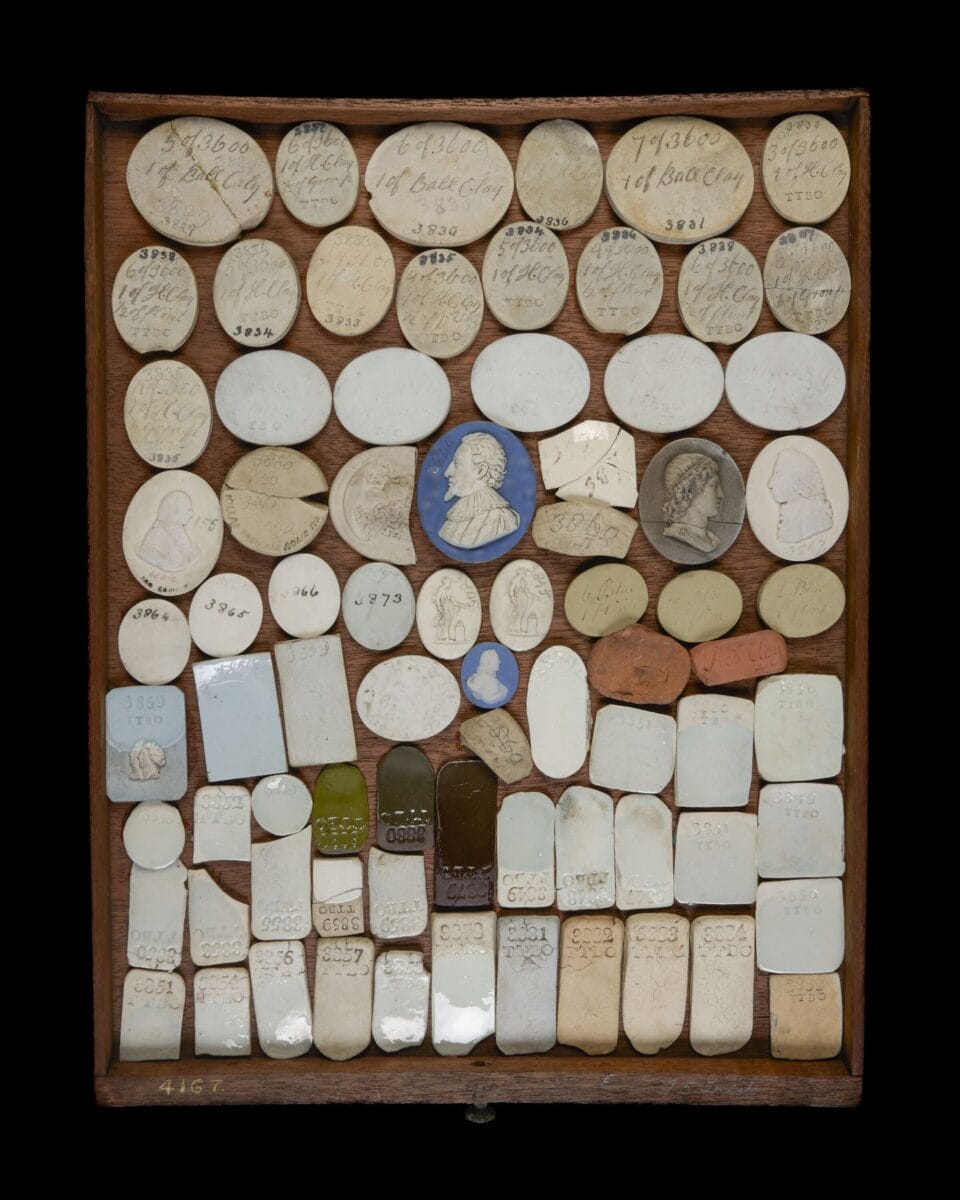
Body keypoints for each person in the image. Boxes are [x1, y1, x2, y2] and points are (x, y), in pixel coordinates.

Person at [439, 432, 520, 549]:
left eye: (457, 464)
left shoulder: (500, 518)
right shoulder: (459, 512)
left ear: (481, 470)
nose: (447, 472)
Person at [662, 452, 724, 553]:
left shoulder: (713, 540)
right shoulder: (675, 538)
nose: (721, 494)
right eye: (713, 486)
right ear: (690, 490)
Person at [768, 448, 833, 543]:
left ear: (797, 480)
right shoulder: (792, 514)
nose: (770, 484)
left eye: (777, 473)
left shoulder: (816, 521)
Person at [137, 489, 198, 572]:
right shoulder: (157, 533)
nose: (191, 514)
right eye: (188, 509)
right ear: (175, 512)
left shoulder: (178, 530)